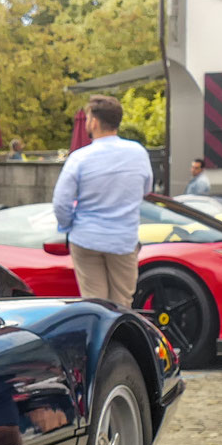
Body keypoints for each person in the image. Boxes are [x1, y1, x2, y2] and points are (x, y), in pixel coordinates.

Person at [52, 95, 154, 308]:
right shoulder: (138, 153)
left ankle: (100, 339)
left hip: (87, 238)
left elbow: (61, 202)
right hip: (123, 240)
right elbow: (146, 189)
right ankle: (120, 339)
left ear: (94, 122)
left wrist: (69, 226)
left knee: (95, 303)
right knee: (123, 303)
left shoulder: (80, 158)